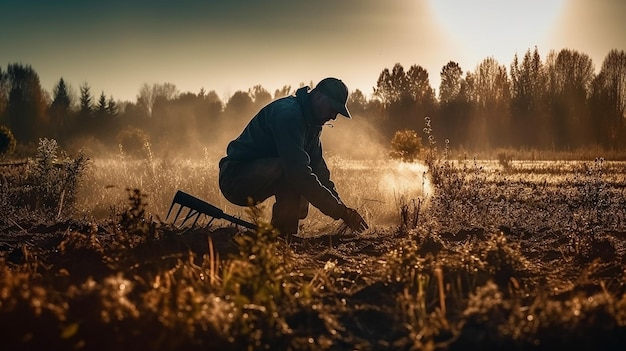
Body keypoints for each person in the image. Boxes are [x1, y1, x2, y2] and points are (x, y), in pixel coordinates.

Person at [218, 77, 369, 238]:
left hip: (255, 178)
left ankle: (283, 233)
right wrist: (339, 212)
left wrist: (343, 210)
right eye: (332, 108)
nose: (333, 116)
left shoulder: (312, 124)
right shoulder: (289, 115)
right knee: (294, 172)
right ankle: (282, 235)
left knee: (301, 175)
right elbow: (298, 172)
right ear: (318, 97)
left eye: (337, 112)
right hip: (235, 179)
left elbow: (320, 173)